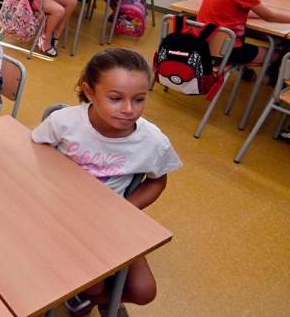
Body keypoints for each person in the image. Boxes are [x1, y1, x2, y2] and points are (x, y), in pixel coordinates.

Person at [31, 48, 182, 317]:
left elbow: (157, 181)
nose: (128, 109)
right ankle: (91, 296)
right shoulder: (64, 122)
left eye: (139, 99)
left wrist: (124, 208)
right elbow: (35, 148)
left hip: (107, 221)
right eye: (115, 98)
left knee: (145, 291)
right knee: (94, 281)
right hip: (56, 212)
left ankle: (90, 298)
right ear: (90, 92)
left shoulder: (152, 141)